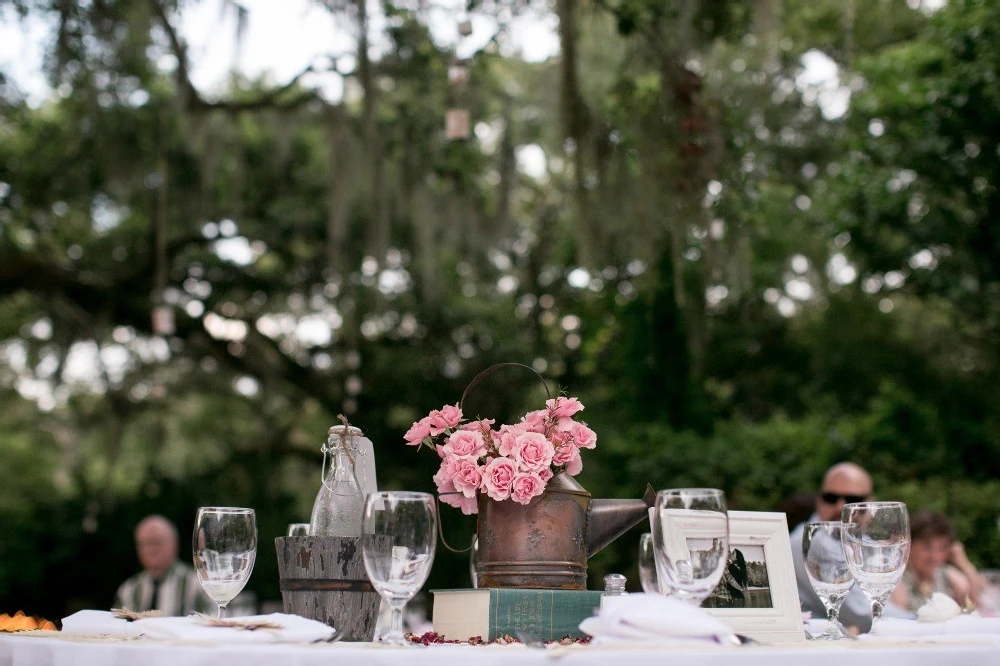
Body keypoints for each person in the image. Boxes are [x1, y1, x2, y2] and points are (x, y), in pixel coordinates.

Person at [788, 462, 874, 633]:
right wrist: (925, 617)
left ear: (870, 505)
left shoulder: (862, 542)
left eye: (852, 500)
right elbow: (861, 615)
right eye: (831, 498)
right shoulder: (814, 542)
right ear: (819, 502)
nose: (840, 507)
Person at [114, 515, 213, 616]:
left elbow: (217, 621)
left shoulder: (197, 585)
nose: (150, 549)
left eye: (156, 542)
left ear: (174, 544)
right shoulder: (129, 589)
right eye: (144, 544)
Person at [889, 510, 982, 616]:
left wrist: (964, 563)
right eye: (927, 547)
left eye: (942, 548)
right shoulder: (898, 577)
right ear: (910, 544)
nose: (935, 556)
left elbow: (975, 606)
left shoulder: (946, 574)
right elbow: (899, 615)